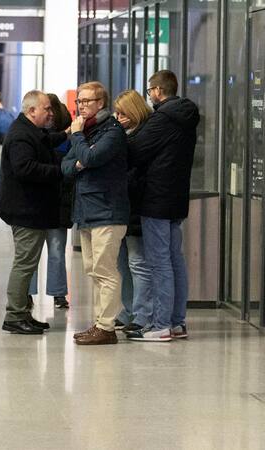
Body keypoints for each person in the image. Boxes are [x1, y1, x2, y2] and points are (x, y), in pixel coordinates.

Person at [125, 70, 199, 342]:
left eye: (149, 91)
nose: (149, 96)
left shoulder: (162, 118)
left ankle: (160, 325)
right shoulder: (186, 116)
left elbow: (135, 151)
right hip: (176, 197)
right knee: (174, 260)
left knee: (159, 263)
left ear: (157, 90)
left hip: (156, 198)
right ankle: (177, 323)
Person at [62, 81, 129, 346]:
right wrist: (80, 157)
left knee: (105, 270)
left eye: (87, 101)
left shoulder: (111, 131)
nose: (81, 106)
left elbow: (91, 159)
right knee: (92, 269)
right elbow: (65, 166)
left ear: (101, 103)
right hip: (87, 211)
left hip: (107, 211)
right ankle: (100, 322)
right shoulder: (89, 131)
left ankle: (107, 326)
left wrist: (78, 140)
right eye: (79, 101)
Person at [0, 90, 66, 335]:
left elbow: (46, 141)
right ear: (31, 111)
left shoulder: (30, 131)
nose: (51, 113)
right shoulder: (21, 136)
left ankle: (22, 313)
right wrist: (61, 170)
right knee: (25, 264)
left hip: (30, 208)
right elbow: (25, 168)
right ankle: (14, 315)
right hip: (25, 209)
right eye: (46, 109)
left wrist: (67, 134)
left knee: (27, 262)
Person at [111, 90, 153, 335]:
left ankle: (141, 314)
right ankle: (127, 311)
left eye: (123, 113)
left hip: (137, 206)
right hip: (125, 207)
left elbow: (134, 172)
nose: (119, 117)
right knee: (123, 263)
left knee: (137, 263)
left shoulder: (142, 137)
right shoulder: (126, 135)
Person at [27, 94, 74, 310]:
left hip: (38, 200)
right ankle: (58, 295)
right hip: (59, 200)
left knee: (31, 252)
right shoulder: (67, 136)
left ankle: (27, 293)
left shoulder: (37, 136)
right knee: (56, 250)